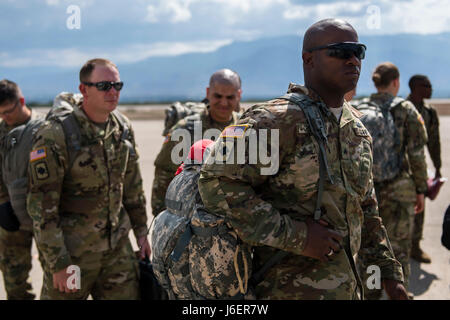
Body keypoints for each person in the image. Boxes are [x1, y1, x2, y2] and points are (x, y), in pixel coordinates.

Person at [198, 19, 407, 300]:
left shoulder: (356, 129)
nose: (353, 60)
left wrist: (389, 274)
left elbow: (366, 209)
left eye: (358, 51)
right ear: (309, 59)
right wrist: (298, 236)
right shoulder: (273, 121)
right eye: (341, 51)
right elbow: (215, 183)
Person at [27, 58, 150, 300]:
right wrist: (59, 262)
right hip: (74, 255)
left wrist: (141, 231)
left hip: (117, 252)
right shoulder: (56, 135)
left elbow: (132, 187)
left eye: (117, 85)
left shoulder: (122, 128)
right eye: (104, 86)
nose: (113, 92)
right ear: (84, 89)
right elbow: (42, 208)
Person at [356, 62, 428, 299]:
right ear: (396, 82)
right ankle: (398, 294)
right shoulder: (405, 109)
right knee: (398, 251)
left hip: (366, 194)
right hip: (399, 193)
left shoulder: (358, 108)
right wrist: (421, 190)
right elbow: (417, 155)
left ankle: (372, 294)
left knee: (369, 251)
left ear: (375, 83)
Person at [151, 69, 242, 217]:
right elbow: (163, 177)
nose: (224, 103)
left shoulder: (246, 129)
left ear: (239, 95)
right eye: (218, 96)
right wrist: (163, 220)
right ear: (207, 93)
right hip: (192, 222)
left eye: (230, 97)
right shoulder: (186, 129)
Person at [0, 79, 44, 299]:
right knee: (14, 279)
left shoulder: (44, 129)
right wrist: (2, 203)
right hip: (11, 218)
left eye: (8, 111)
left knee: (60, 279)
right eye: (0, 113)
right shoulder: (1, 133)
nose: (4, 117)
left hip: (45, 217)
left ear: (22, 101)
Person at [407, 75, 441, 263]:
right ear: (414, 87)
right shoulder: (401, 109)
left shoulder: (429, 113)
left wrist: (438, 167)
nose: (431, 88)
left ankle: (415, 246)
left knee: (420, 208)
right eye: (426, 85)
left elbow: (434, 143)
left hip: (419, 169)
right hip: (399, 170)